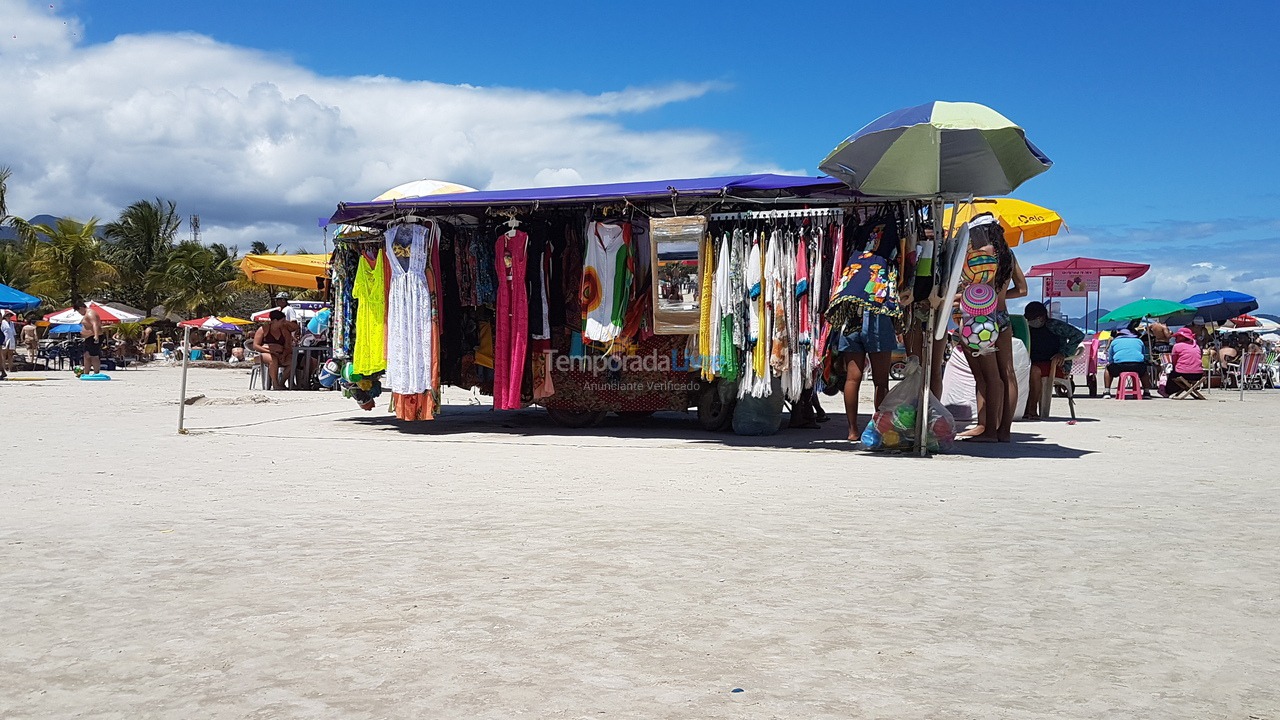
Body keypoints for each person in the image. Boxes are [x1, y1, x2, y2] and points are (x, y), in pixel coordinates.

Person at [957, 215, 1027, 443]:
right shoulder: (1007, 254)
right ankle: (1004, 430)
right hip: (1002, 315)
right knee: (1007, 373)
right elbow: (1023, 290)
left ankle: (986, 428)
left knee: (986, 376)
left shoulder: (979, 255)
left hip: (979, 319)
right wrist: (1000, 296)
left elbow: (972, 291)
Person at [1022, 301, 1085, 419]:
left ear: (1042, 317)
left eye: (1034, 318)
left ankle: (1031, 410)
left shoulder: (1055, 326)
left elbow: (1078, 335)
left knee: (1034, 371)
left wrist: (1063, 353)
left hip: (1055, 365)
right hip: (1030, 363)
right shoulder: (1026, 328)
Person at [1103, 322, 1150, 398]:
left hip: (1119, 366)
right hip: (1137, 366)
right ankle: (1146, 392)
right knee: (1144, 371)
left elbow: (1111, 359)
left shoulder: (1114, 342)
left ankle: (1107, 391)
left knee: (1108, 369)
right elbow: (1143, 356)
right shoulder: (1139, 341)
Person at [253, 309, 293, 390]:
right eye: (282, 321)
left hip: (280, 353)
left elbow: (288, 346)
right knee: (273, 360)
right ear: (275, 321)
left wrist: (284, 355)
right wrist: (270, 351)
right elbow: (255, 345)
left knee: (292, 361)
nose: (284, 323)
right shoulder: (263, 329)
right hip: (264, 353)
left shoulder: (284, 331)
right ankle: (275, 383)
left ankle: (281, 382)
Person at [1163, 327, 1205, 397]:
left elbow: (1174, 362)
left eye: (1178, 336)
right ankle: (1185, 388)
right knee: (1177, 374)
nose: (1176, 338)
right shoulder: (1196, 346)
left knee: (1172, 375)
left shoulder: (1177, 346)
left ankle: (1168, 392)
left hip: (1182, 373)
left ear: (1183, 337)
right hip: (1198, 374)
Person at [76, 300, 104, 375]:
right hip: (89, 337)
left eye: (78, 311)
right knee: (86, 355)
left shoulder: (90, 313)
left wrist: (96, 335)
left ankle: (96, 373)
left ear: (81, 308)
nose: (79, 313)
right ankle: (86, 373)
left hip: (93, 337)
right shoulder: (86, 314)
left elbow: (95, 324)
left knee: (94, 355)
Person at [0, 311, 15, 378]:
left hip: (10, 339)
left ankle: (10, 368)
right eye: (7, 316)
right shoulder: (3, 323)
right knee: (3, 355)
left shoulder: (12, 323)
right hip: (5, 340)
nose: (9, 317)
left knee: (10, 354)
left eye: (10, 316)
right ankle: (3, 369)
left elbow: (14, 333)